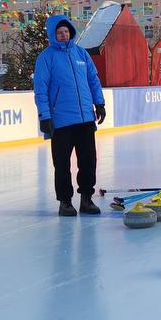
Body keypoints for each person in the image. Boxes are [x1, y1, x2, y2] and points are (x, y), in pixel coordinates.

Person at [33, 13, 107, 217]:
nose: (64, 35)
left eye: (66, 31)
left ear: (71, 32)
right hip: (61, 121)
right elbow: (41, 89)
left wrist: (99, 103)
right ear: (52, 34)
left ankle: (86, 199)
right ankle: (65, 201)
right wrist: (44, 116)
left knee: (88, 161)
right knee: (62, 164)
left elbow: (93, 80)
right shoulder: (46, 57)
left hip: (85, 119)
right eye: (59, 32)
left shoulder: (81, 54)